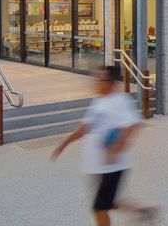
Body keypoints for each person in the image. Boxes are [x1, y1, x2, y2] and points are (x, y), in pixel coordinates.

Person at [51, 66, 157, 226]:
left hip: (112, 167)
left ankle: (143, 212)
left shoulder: (119, 101)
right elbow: (86, 127)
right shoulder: (98, 101)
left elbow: (134, 124)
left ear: (111, 83)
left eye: (100, 80)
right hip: (98, 166)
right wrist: (64, 143)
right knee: (109, 201)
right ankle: (144, 212)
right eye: (96, 79)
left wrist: (117, 147)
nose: (96, 83)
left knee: (99, 208)